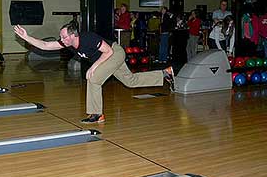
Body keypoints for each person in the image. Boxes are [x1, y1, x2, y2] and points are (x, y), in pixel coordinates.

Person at [13, 22, 175, 124]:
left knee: (94, 78)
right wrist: (27, 37)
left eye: (63, 36)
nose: (61, 38)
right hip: (108, 57)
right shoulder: (68, 43)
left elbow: (108, 52)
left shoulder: (88, 38)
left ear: (73, 35)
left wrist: (93, 67)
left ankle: (97, 114)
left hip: (114, 53)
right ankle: (165, 73)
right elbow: (45, 46)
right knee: (130, 81)